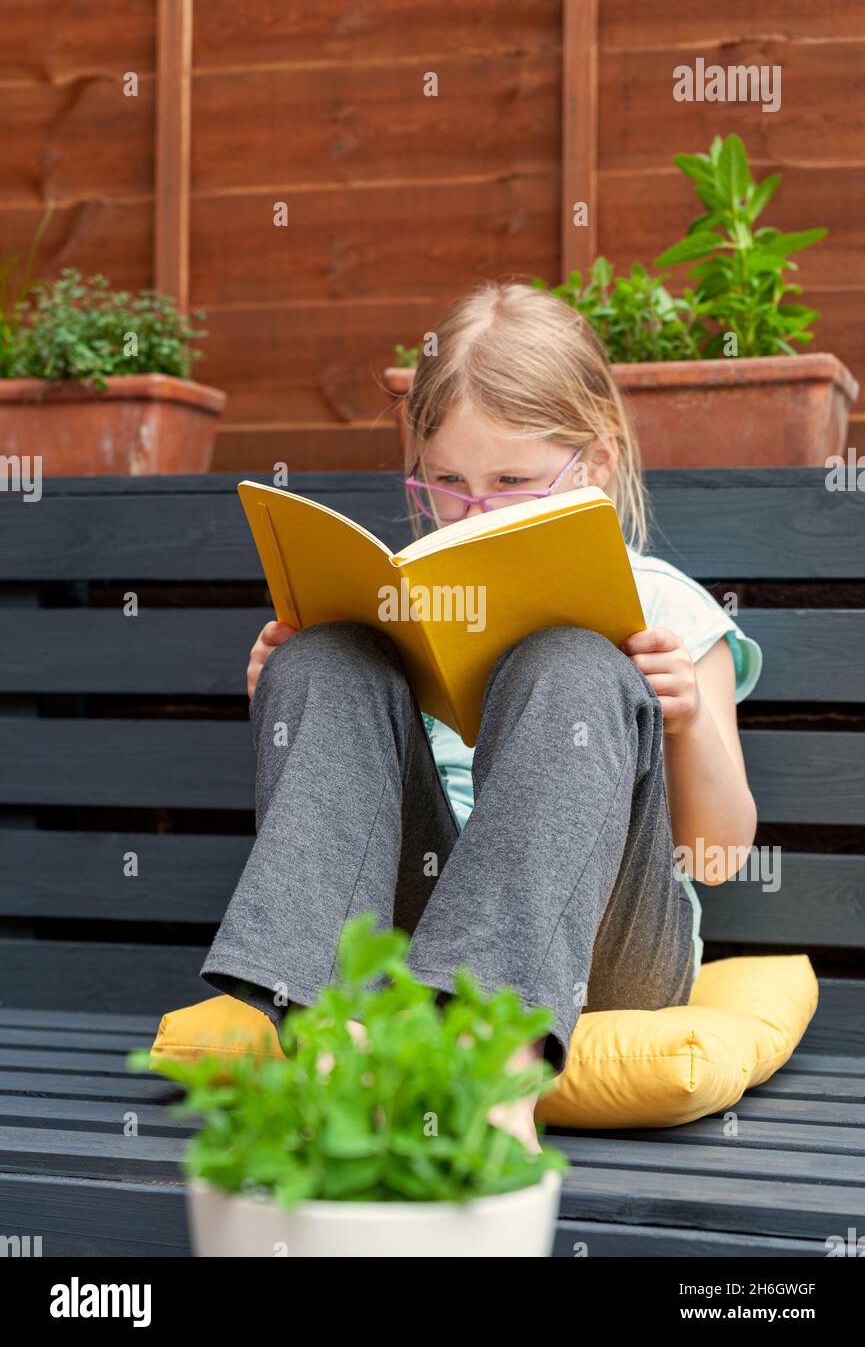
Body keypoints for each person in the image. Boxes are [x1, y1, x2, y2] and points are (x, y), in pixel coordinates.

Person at [201, 282, 762, 1148]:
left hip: (605, 953)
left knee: (573, 662)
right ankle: (329, 1050)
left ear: (597, 465)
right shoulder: (416, 598)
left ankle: (492, 1076)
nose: (477, 513)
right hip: (414, 935)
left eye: (513, 482)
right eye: (448, 484)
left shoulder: (665, 610)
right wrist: (289, 699)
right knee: (326, 656)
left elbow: (718, 856)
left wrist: (683, 725)